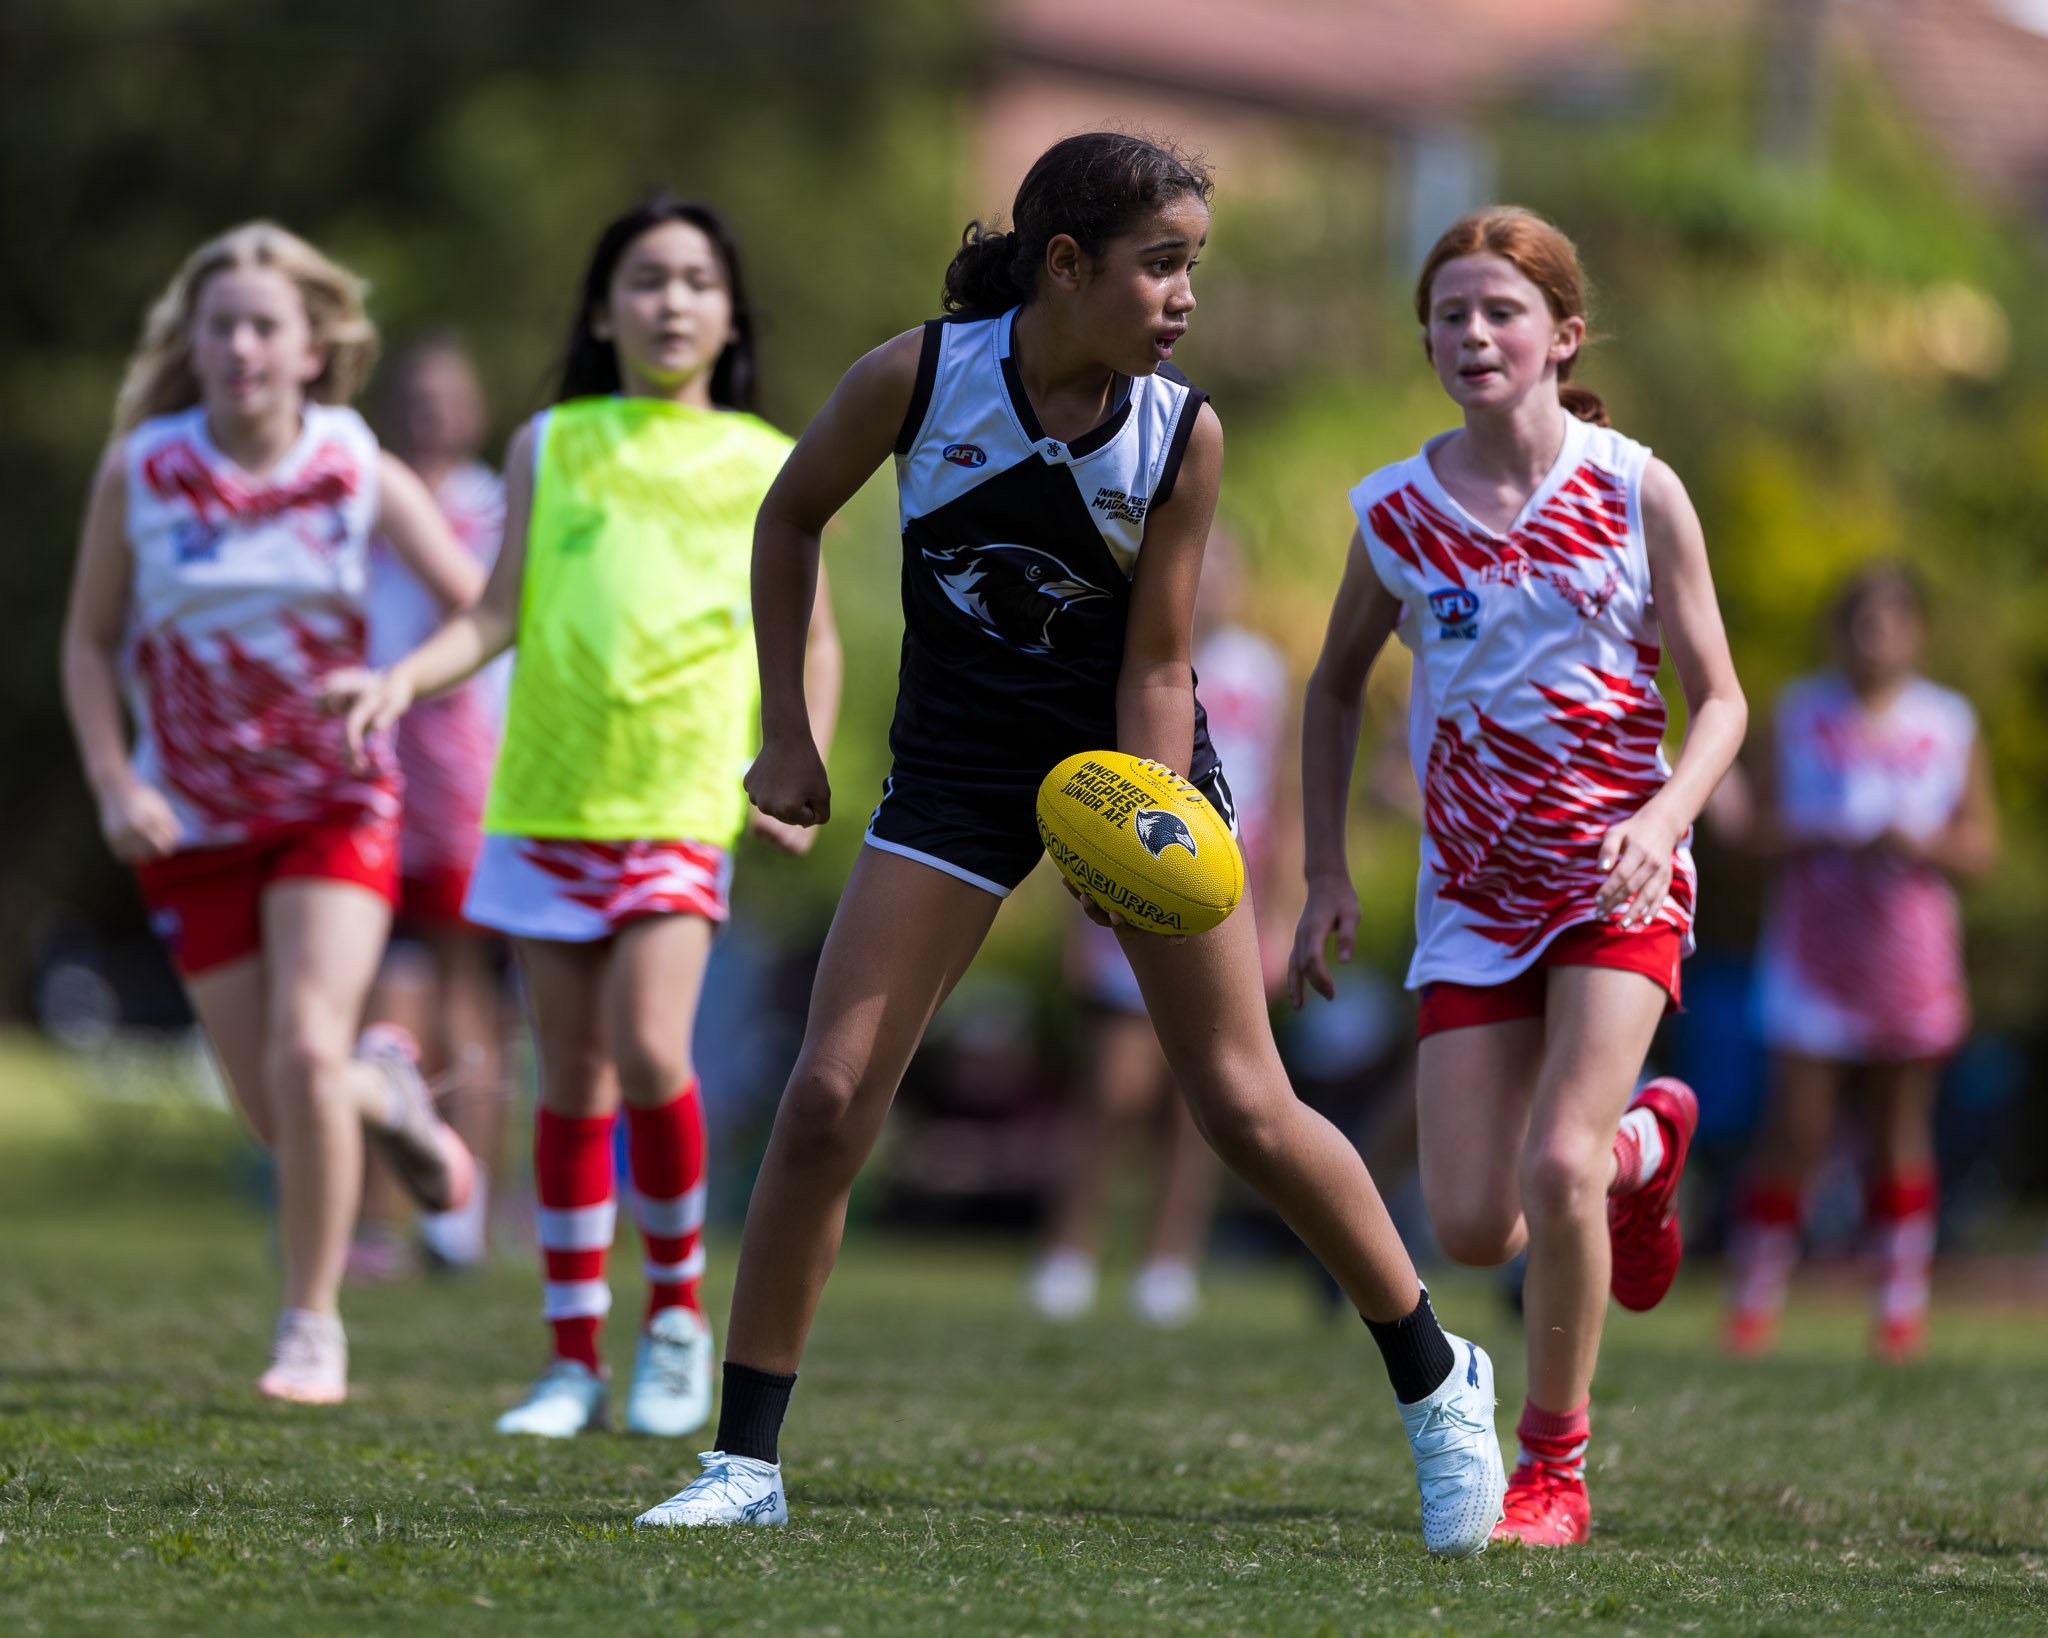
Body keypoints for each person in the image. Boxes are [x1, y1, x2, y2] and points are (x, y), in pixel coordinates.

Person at [635, 131, 1506, 1558]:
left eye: (1192, 269)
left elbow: (1160, 665)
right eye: (1160, 265)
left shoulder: (1183, 432)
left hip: (1123, 763)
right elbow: (790, 518)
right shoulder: (919, 375)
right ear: (1064, 264)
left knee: (1239, 1102)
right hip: (959, 776)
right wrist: (787, 732)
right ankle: (745, 1459)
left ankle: (1435, 1376)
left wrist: (1142, 830)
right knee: (825, 1098)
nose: (1182, 296)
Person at [327, 196, 842, 1441]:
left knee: (652, 1051)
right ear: (602, 309)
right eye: (645, 280)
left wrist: (798, 763)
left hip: (678, 793)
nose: (670, 302)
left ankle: (673, 1320)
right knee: (569, 1077)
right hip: (544, 796)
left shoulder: (768, 459)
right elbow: (495, 613)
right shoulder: (546, 444)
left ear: (729, 316)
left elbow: (812, 636)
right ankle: (570, 1359)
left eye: (695, 282)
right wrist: (404, 676)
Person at [1291, 206, 1747, 1546]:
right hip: (1471, 901)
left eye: (1500, 311)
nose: (1473, 333)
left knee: (1555, 1168)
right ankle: (1649, 1145)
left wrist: (1663, 821)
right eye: (1449, 313)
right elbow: (1330, 694)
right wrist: (1325, 871)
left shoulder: (1635, 486)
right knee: (1477, 1221)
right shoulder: (1393, 510)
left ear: (1564, 334)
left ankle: (1554, 1469)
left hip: (1618, 885)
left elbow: (1722, 703)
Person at [60, 222, 486, 1404]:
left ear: (312, 349)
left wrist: (400, 682)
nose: (241, 344)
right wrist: (115, 780)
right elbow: (91, 645)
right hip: (189, 825)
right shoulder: (142, 470)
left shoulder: (353, 463)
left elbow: (482, 610)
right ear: (193, 346)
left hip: (331, 807)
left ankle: (311, 1328)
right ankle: (386, 1091)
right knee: (278, 1107)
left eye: (264, 325)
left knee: (307, 1049)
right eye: (221, 326)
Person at [1722, 563, 1996, 1363]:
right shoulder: (1799, 712)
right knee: (1795, 1127)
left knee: (1898, 1129)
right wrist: (1826, 832)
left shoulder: (1949, 722)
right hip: (1812, 950)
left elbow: (1980, 848)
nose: (1875, 639)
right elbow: (1754, 834)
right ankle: (1754, 1297)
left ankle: (1900, 1306)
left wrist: (1926, 844)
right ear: (1838, 632)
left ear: (1918, 633)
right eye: (1860, 622)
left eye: (1892, 622)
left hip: (1910, 955)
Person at [1027, 529, 1296, 1327]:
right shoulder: (1127, 662)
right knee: (1113, 1091)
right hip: (1132, 898)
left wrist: (1279, 913)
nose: (1210, 585)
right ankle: (1069, 1254)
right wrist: (1073, 924)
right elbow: (1086, 801)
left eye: (1224, 570)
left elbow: (1280, 798)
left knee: (1209, 1100)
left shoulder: (1261, 672)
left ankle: (1168, 1264)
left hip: (1230, 900)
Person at [349, 334, 512, 1279]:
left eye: (448, 393)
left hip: (465, 774)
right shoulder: (364, 504)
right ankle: (376, 1216)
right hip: (372, 769)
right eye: (415, 393)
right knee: (381, 1000)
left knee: (466, 994)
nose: (431, 410)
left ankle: (462, 1212)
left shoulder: (497, 505)